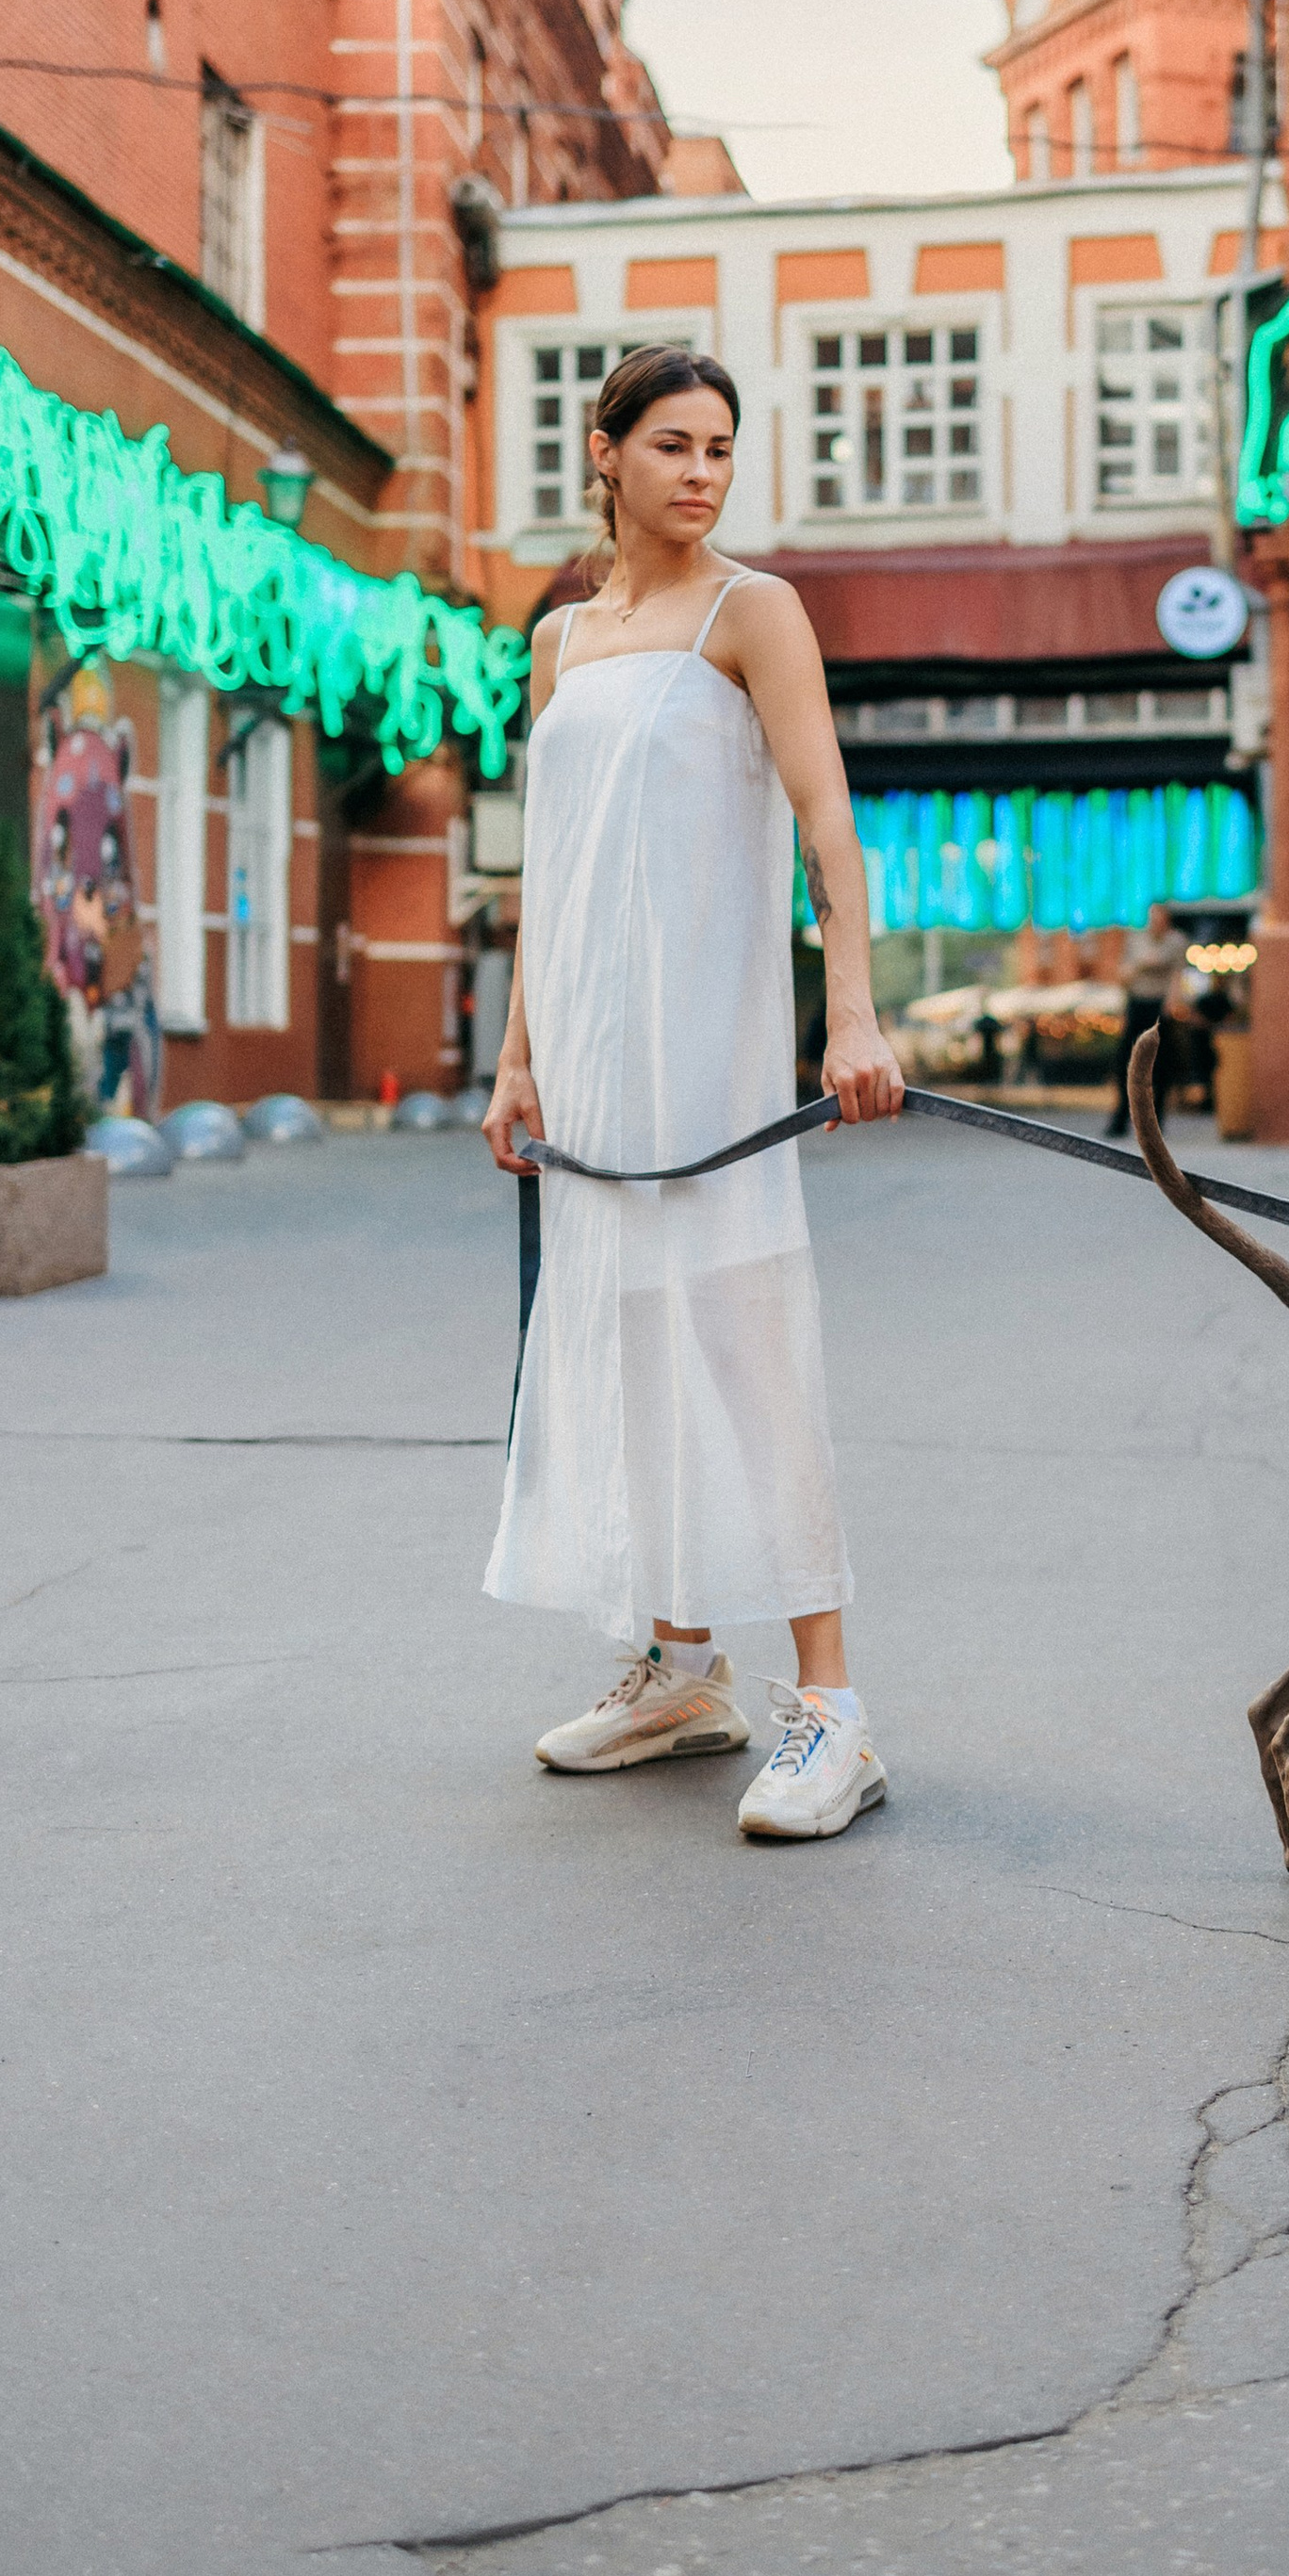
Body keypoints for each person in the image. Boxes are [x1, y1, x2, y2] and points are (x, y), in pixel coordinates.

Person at [481, 344, 905, 1842]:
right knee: (625, 1344)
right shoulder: (561, 641)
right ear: (605, 452)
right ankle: (677, 1668)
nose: (704, 471)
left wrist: (851, 1011)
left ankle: (836, 1710)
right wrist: (519, 1053)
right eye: (673, 444)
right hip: (591, 1059)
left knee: (746, 1345)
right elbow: (549, 870)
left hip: (707, 1053)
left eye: (722, 445)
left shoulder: (756, 610)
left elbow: (826, 817)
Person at [1104, 900, 1187, 1134]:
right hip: (1137, 1003)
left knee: (1160, 1067)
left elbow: (1176, 975)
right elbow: (1123, 975)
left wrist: (1172, 1004)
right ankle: (1121, 1117)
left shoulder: (1175, 942)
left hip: (1159, 1008)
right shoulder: (1136, 940)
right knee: (1125, 1063)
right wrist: (1143, 964)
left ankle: (1155, 1121)